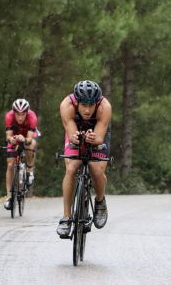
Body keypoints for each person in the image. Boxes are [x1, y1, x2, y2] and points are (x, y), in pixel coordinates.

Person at [56, 80, 112, 237]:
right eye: (83, 105)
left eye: (91, 105)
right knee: (72, 168)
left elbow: (100, 137)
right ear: (77, 102)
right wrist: (77, 138)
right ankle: (66, 217)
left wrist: (93, 138)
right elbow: (72, 135)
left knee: (96, 169)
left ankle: (100, 202)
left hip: (97, 132)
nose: (87, 110)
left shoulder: (104, 107)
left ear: (96, 103)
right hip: (76, 129)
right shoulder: (66, 105)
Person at [3, 98, 39, 210]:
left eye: (23, 114)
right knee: (10, 165)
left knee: (31, 145)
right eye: (17, 114)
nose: (20, 117)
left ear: (27, 113)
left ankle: (29, 170)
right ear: (13, 112)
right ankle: (9, 197)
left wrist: (24, 139)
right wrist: (11, 140)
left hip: (27, 136)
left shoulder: (32, 117)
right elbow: (8, 137)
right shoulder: (9, 116)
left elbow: (29, 139)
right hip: (15, 137)